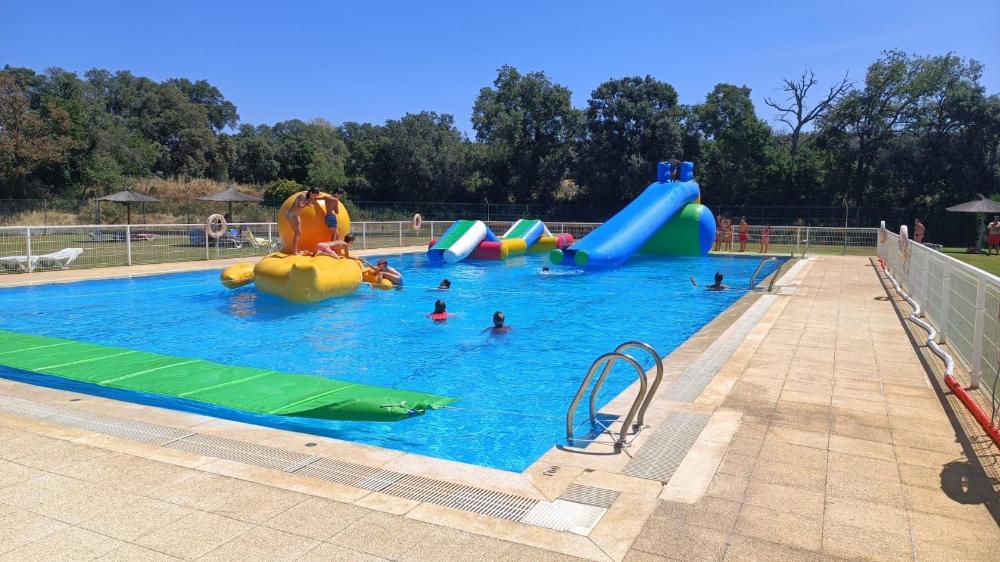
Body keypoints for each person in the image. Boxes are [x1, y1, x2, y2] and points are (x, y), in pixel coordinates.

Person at [284, 188, 320, 254]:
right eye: (314, 195)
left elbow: (306, 201)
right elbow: (300, 206)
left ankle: (297, 250)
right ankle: (294, 251)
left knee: (299, 233)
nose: (315, 197)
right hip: (291, 214)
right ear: (311, 193)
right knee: (297, 232)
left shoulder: (308, 196)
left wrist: (309, 203)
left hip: (297, 215)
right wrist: (308, 203)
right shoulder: (303, 196)